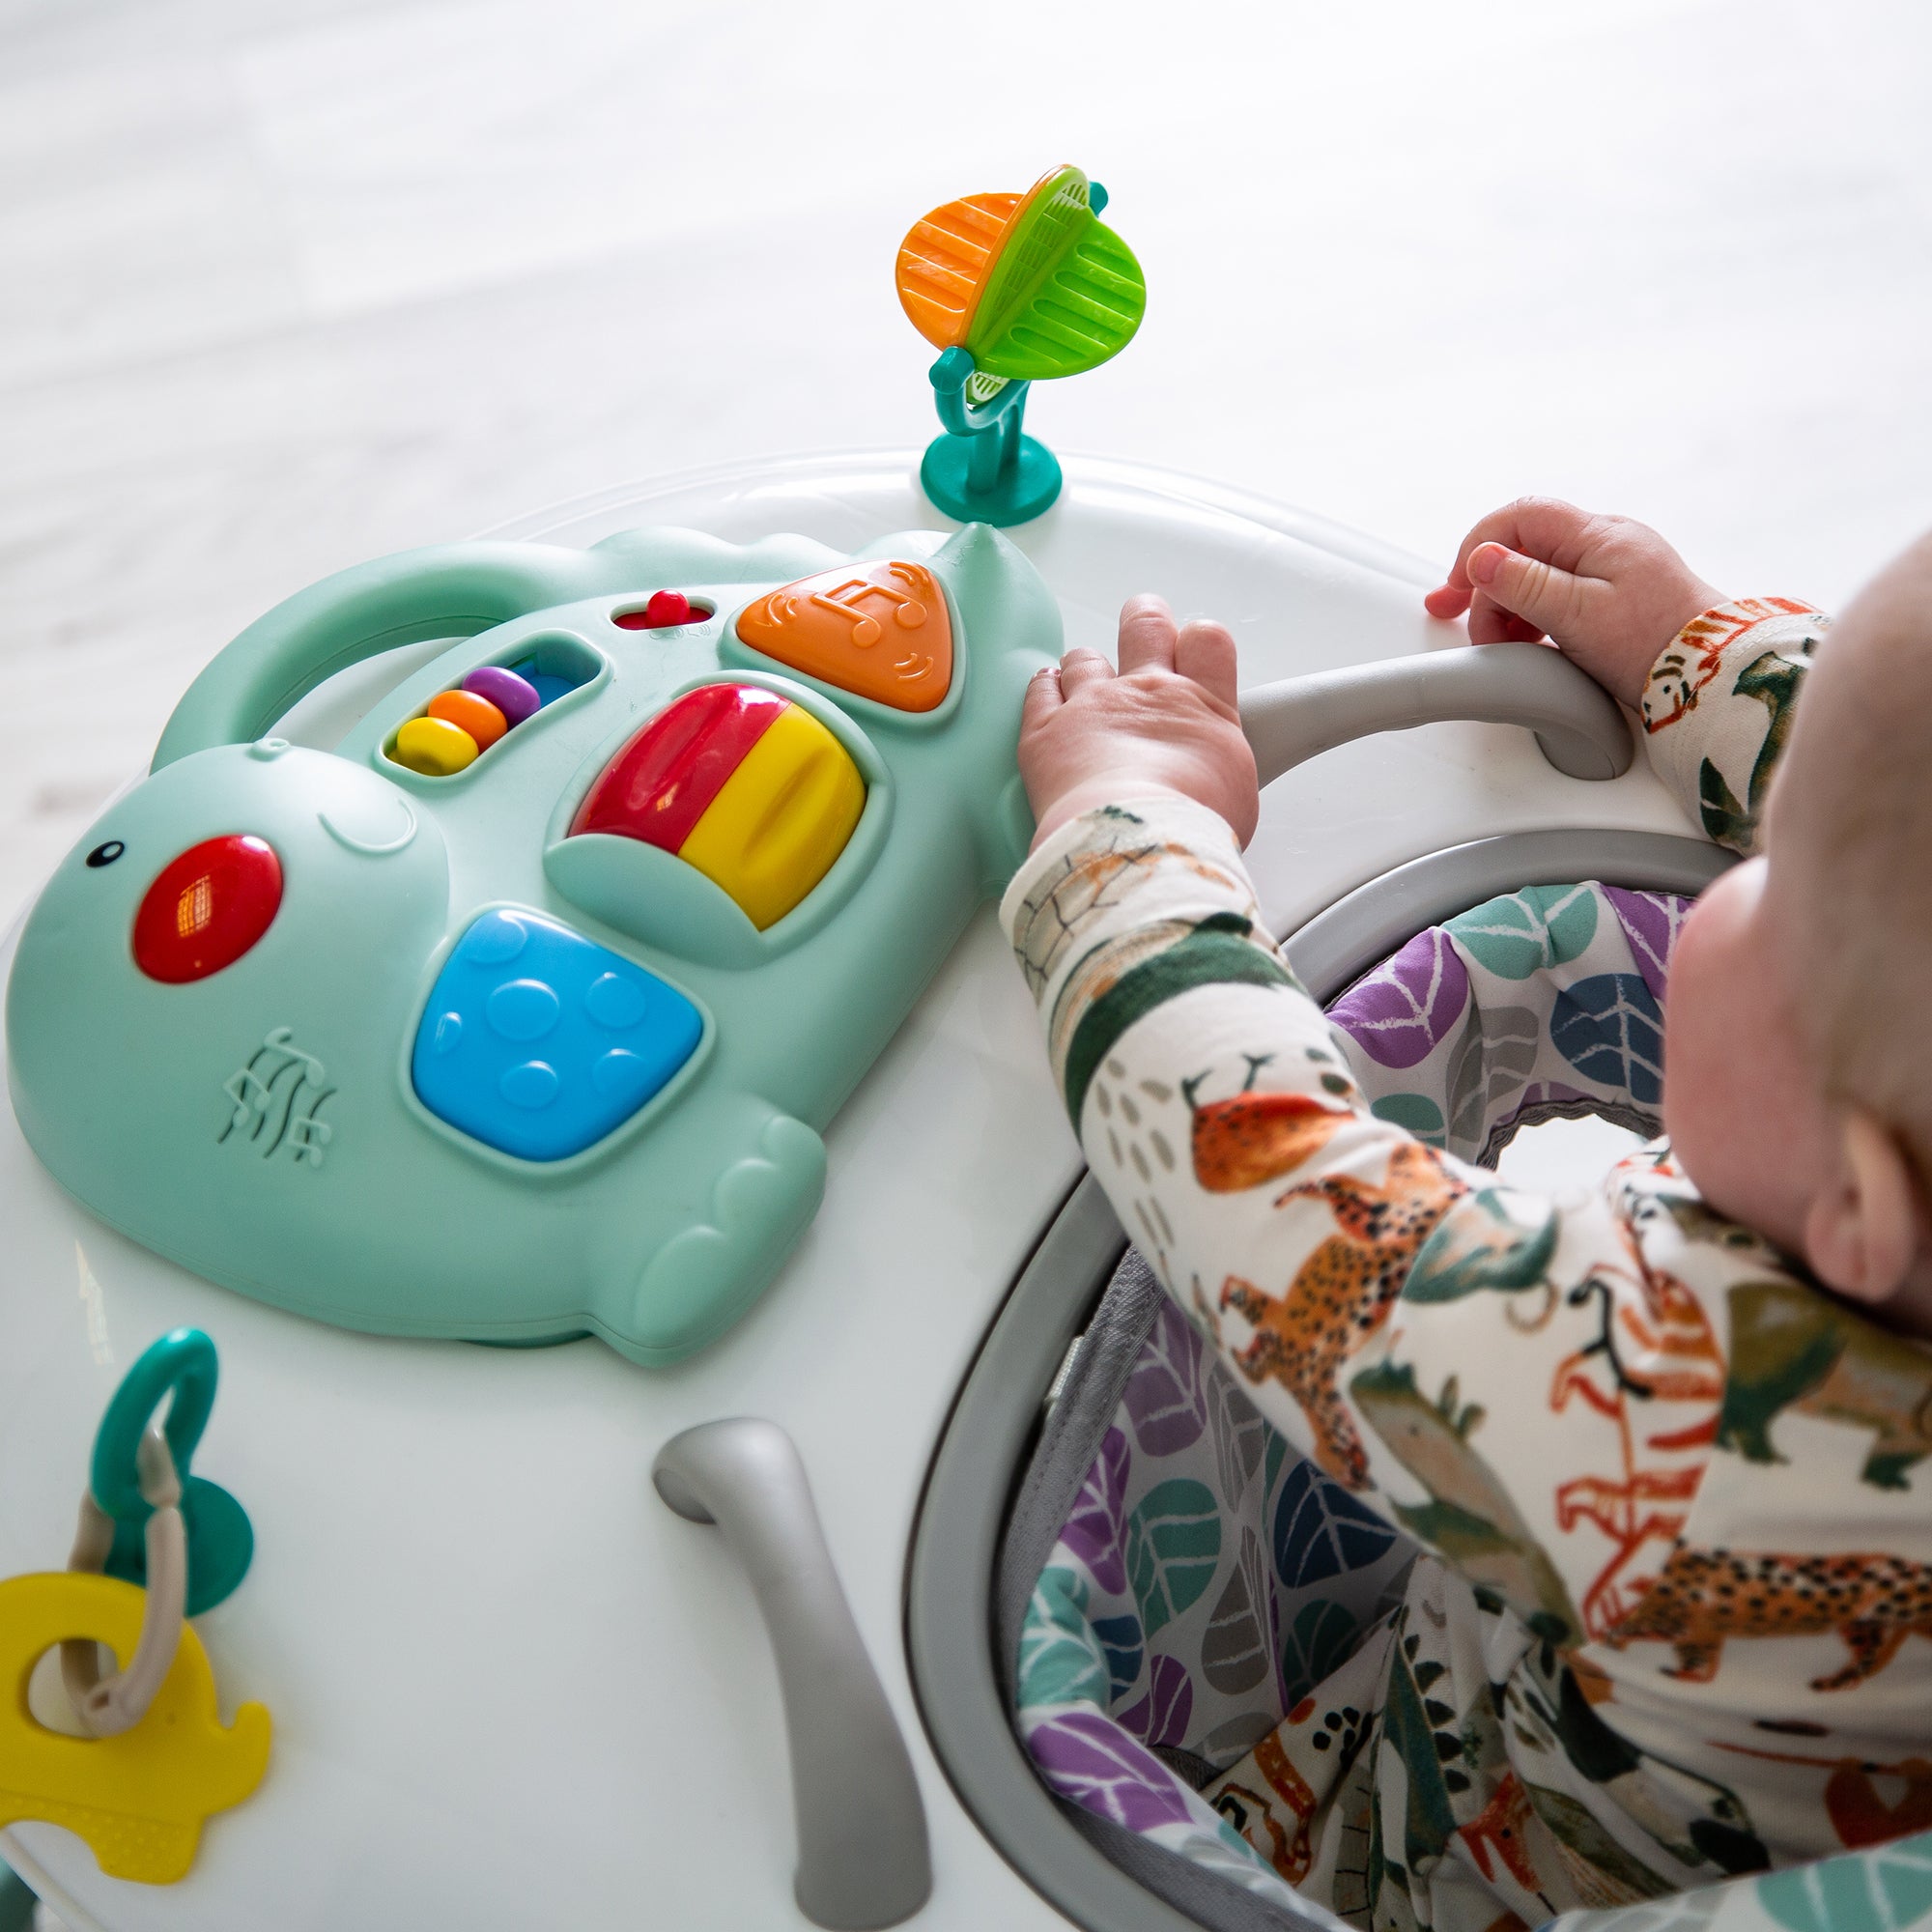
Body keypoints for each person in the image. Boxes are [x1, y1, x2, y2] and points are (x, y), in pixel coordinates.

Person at [1002, 497, 1932, 1930]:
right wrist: (1703, 658)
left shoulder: (1675, 1416)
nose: (1742, 868)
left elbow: (1262, 1184)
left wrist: (1128, 826)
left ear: (1860, 1203)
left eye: (1780, 867)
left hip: (1420, 1849)